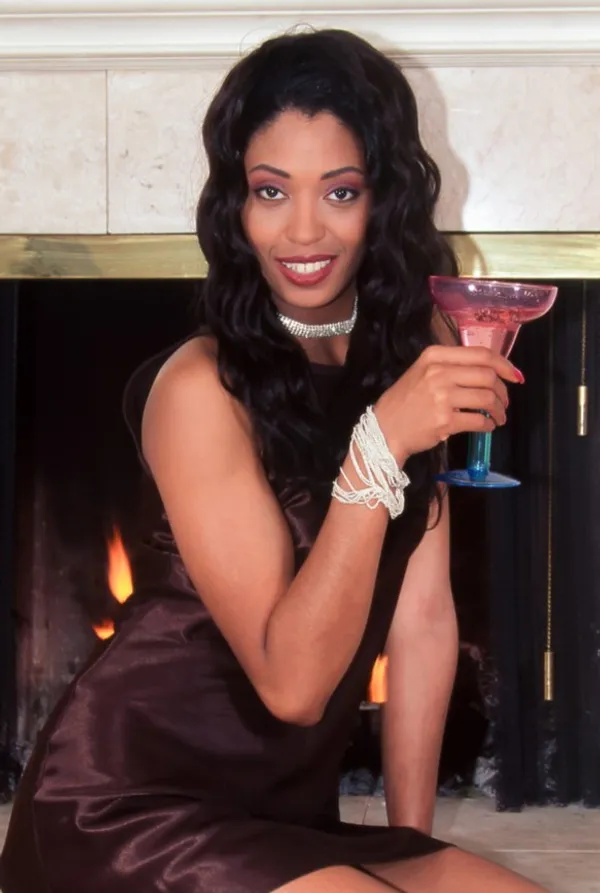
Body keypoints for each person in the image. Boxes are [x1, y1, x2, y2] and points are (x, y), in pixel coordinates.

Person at [0, 28, 547, 893]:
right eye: (270, 190)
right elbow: (292, 687)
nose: (302, 230)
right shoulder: (199, 387)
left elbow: (422, 616)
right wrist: (378, 444)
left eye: (340, 191)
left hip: (281, 815)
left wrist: (409, 846)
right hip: (127, 809)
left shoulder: (415, 348)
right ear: (237, 205)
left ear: (384, 198)